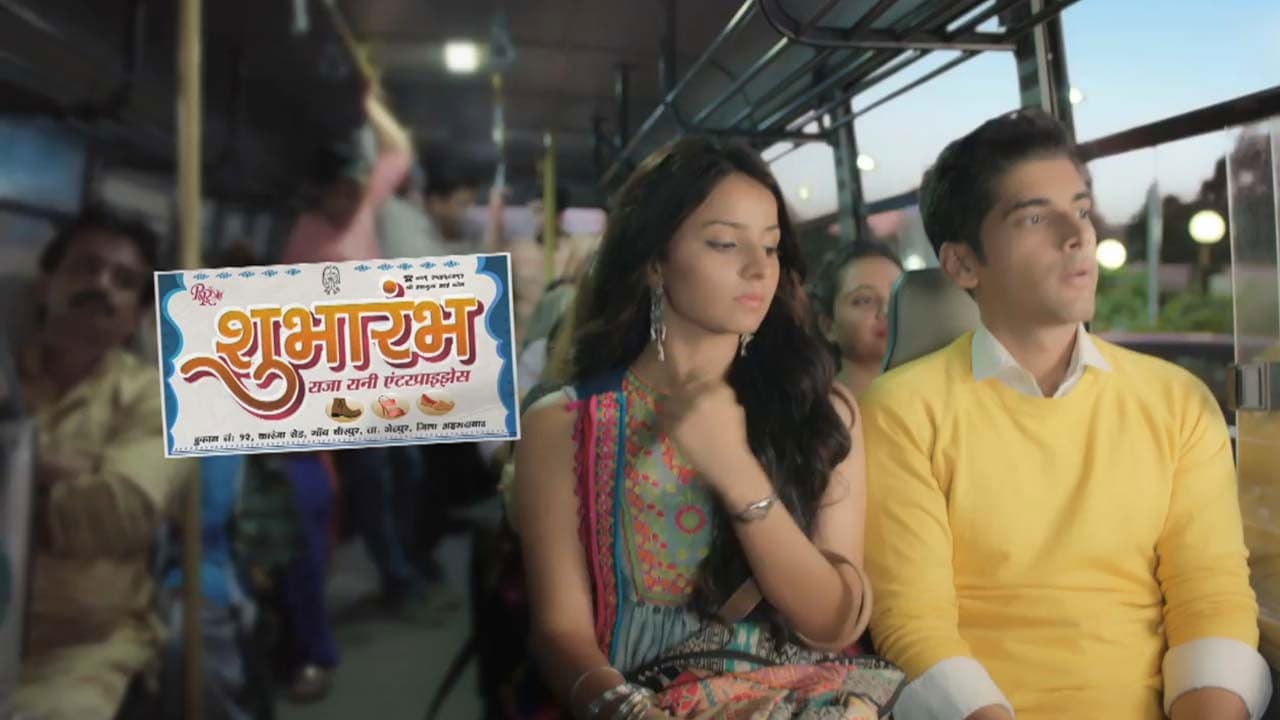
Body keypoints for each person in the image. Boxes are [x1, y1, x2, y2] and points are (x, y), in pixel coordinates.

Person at [862, 108, 1270, 720]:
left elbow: (1210, 596)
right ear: (963, 264)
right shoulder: (900, 411)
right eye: (1034, 217)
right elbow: (913, 624)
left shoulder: (1178, 400)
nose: (1078, 235)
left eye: (1081, 209)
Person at [514, 137, 903, 719]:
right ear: (655, 261)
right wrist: (630, 711)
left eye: (770, 247)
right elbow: (559, 630)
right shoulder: (563, 424)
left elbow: (832, 623)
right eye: (725, 243)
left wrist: (738, 473)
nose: (758, 268)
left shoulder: (819, 410)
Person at [14, 207, 195, 720]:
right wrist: (73, 470)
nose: (101, 285)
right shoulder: (5, 379)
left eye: (124, 281)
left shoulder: (160, 402)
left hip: (76, 653)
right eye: (85, 267)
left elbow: (121, 512)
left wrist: (18, 467)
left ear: (136, 317)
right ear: (45, 285)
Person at [810, 240, 903, 396]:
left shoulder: (931, 393)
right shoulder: (824, 407)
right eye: (864, 300)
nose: (887, 310)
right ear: (828, 326)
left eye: (897, 295)